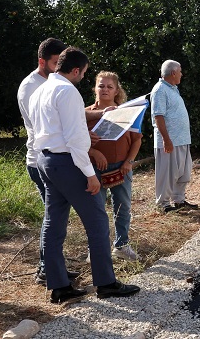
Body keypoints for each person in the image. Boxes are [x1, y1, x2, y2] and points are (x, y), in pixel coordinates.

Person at [29, 47, 140, 303]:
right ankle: (106, 283)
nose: (83, 78)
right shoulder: (68, 91)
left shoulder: (42, 89)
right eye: (84, 73)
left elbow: (47, 130)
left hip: (45, 159)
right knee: (98, 222)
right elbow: (75, 140)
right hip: (67, 163)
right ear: (76, 70)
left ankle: (59, 287)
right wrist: (90, 175)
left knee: (53, 222)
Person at [16, 38, 79, 286]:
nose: (58, 67)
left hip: (50, 157)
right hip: (41, 159)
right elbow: (47, 125)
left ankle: (55, 267)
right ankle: (47, 269)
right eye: (55, 63)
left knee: (57, 217)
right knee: (53, 218)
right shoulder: (31, 87)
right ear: (42, 61)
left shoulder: (51, 81)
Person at [86, 71, 142, 261]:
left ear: (117, 90)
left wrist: (129, 161)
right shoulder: (85, 113)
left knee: (123, 207)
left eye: (110, 87)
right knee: (96, 210)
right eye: (101, 85)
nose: (105, 90)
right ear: (95, 88)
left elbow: (136, 140)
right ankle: (96, 250)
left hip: (122, 167)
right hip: (93, 168)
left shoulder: (127, 112)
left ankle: (121, 245)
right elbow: (73, 142)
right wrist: (93, 151)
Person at [151, 60, 198, 214]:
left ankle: (178, 200)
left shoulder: (172, 89)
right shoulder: (159, 90)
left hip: (182, 140)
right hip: (170, 141)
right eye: (180, 71)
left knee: (183, 173)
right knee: (167, 175)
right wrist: (166, 139)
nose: (181, 74)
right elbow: (158, 116)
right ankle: (163, 204)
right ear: (173, 73)